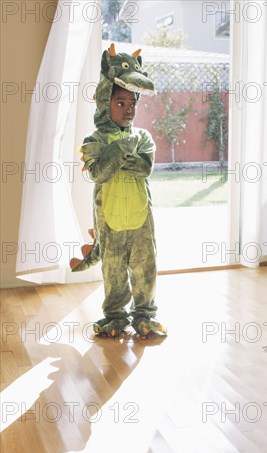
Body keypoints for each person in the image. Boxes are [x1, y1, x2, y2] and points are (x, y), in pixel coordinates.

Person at [71, 43, 166, 339]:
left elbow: (144, 168)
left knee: (144, 270)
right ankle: (114, 316)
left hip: (140, 220)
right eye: (120, 103)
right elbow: (99, 172)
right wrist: (123, 149)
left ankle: (145, 315)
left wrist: (118, 155)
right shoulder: (93, 139)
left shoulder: (144, 137)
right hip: (110, 221)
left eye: (132, 103)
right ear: (105, 102)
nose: (128, 109)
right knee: (113, 273)